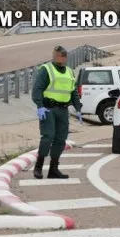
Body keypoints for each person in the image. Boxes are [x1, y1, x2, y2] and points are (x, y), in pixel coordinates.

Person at [31, 46, 83, 179]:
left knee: (60, 139)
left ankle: (53, 169)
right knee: (48, 136)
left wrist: (78, 109)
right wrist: (40, 106)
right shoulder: (46, 70)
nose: (61, 59)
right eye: (59, 56)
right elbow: (37, 89)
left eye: (63, 56)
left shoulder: (70, 72)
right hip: (48, 109)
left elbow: (73, 92)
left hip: (63, 110)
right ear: (54, 56)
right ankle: (38, 167)